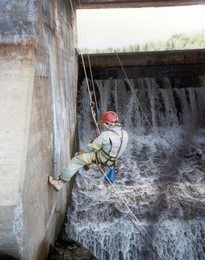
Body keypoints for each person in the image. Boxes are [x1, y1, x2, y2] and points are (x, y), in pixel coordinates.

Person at [48, 111, 128, 191]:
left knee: (77, 160)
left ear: (109, 124)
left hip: (102, 158)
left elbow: (92, 147)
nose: (106, 127)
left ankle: (60, 183)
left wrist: (80, 153)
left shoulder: (105, 135)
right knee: (94, 154)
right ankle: (89, 164)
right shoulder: (125, 134)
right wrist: (99, 138)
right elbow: (113, 146)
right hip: (112, 161)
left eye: (106, 124)